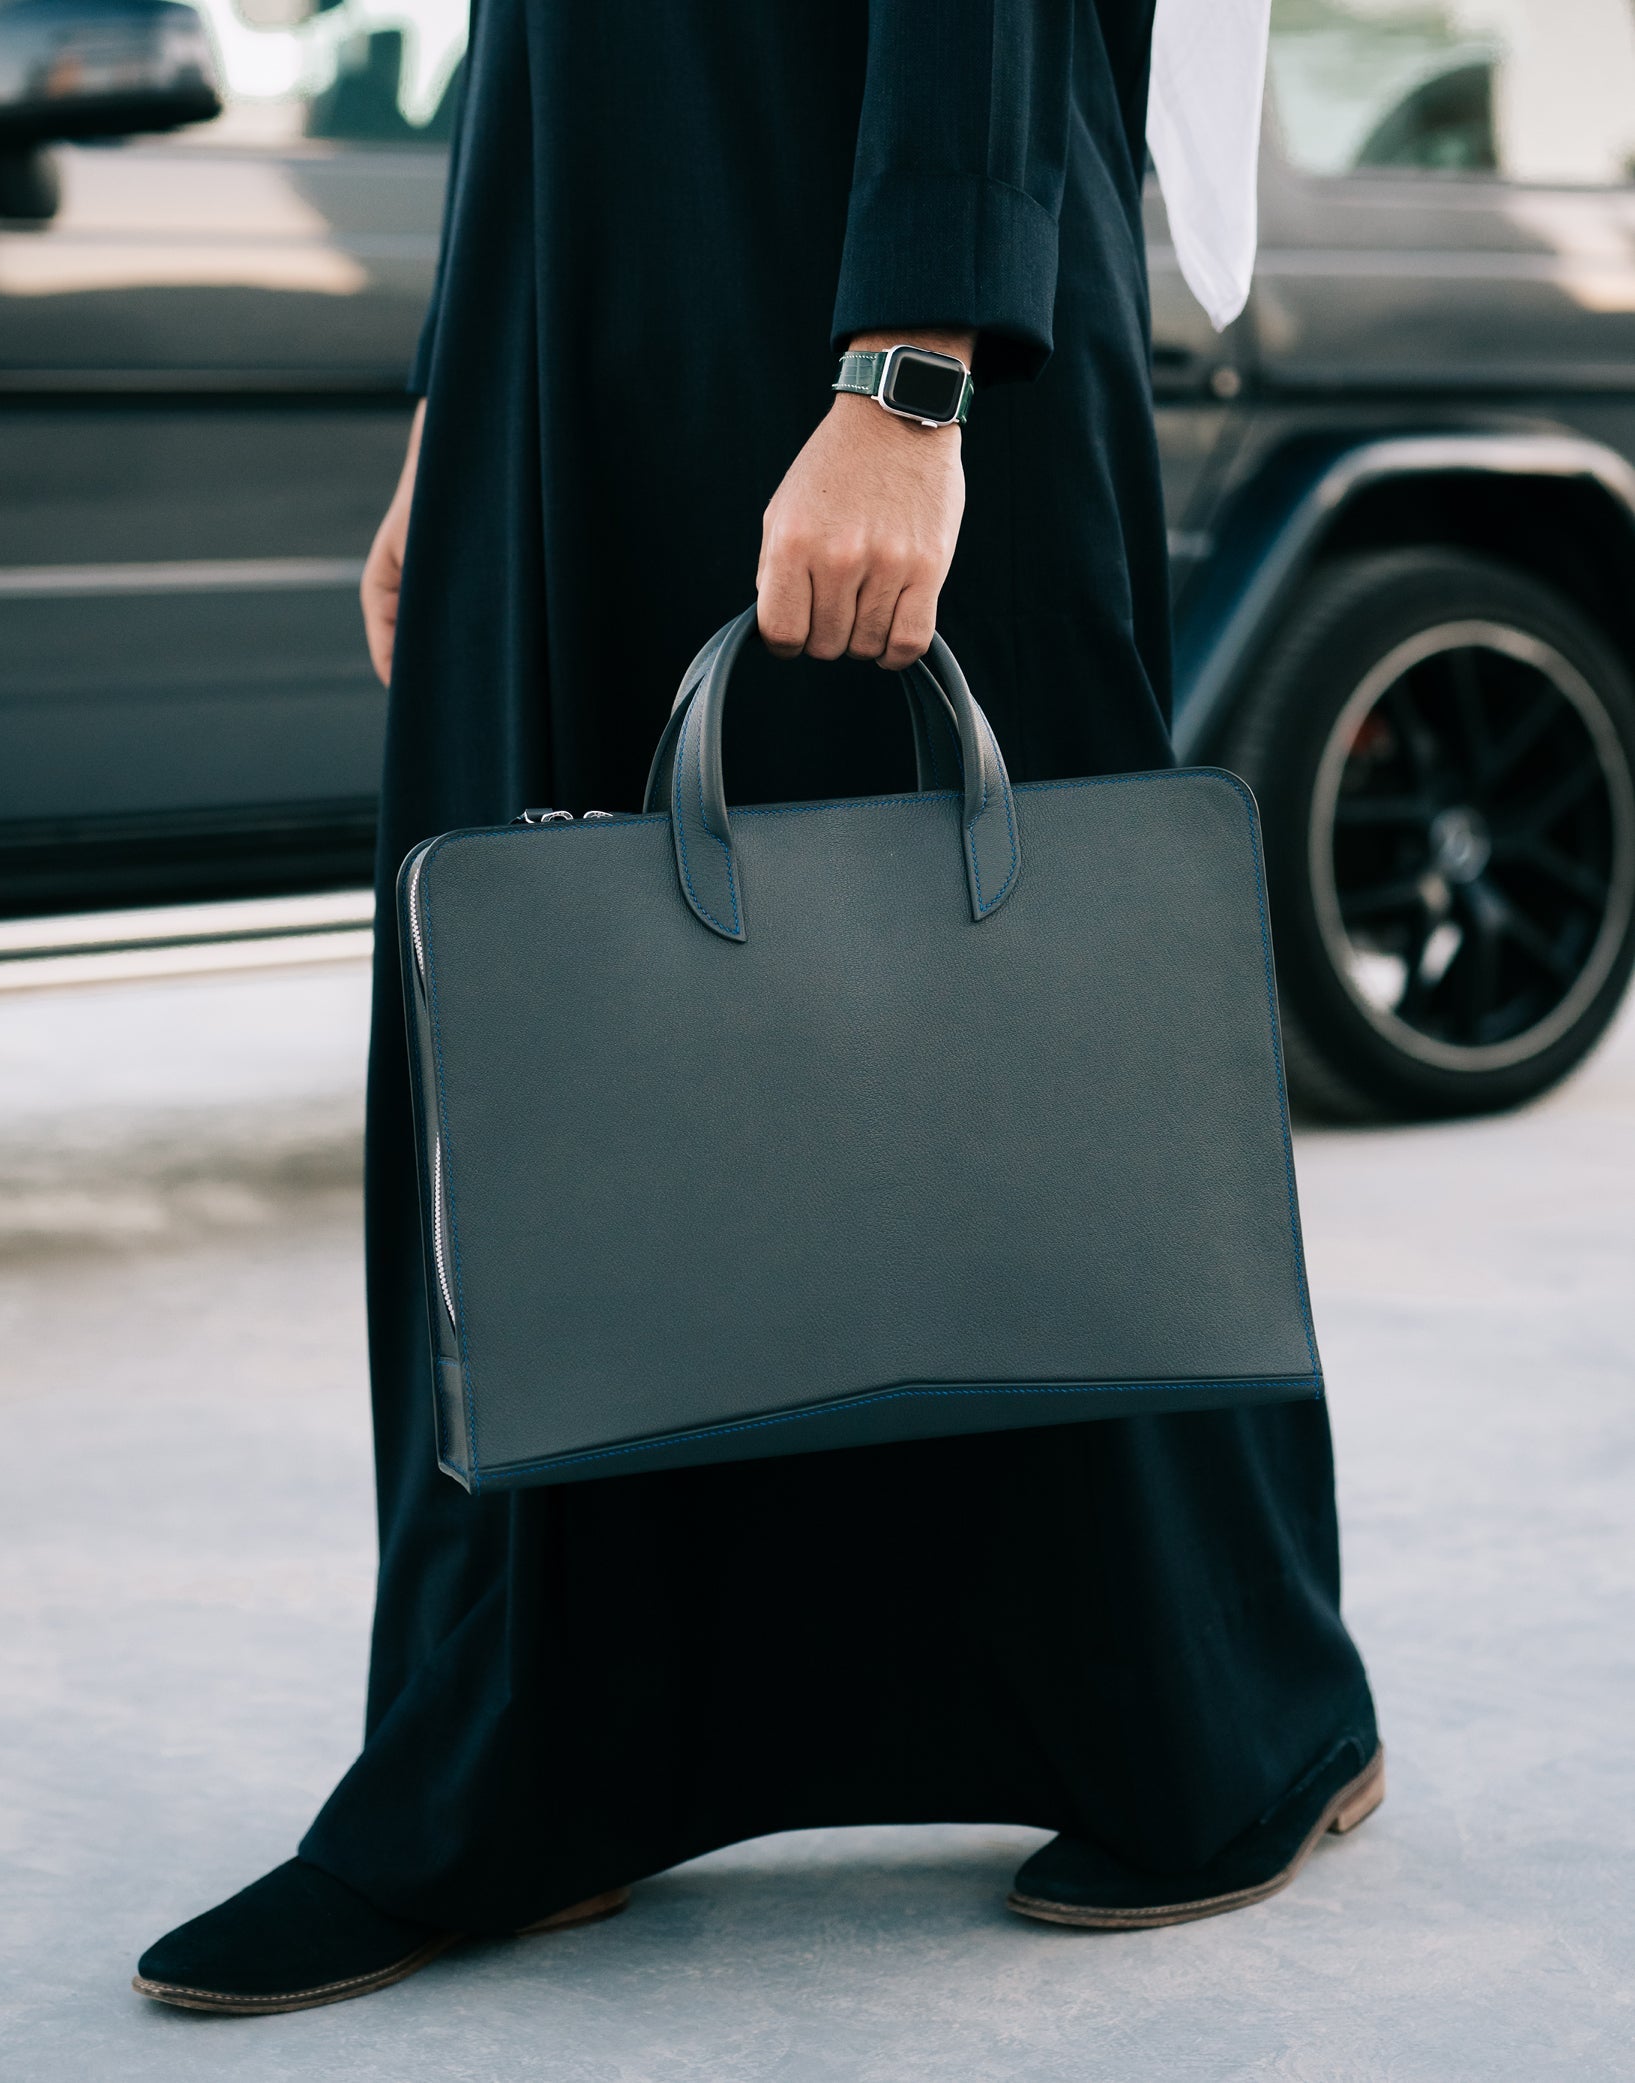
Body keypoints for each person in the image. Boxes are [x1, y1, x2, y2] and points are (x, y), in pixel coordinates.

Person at [134, 0, 1381, 2015]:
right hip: (594, 272)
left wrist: (913, 372)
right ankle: (526, 1754)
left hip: (877, 261)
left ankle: (1236, 1706)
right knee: (555, 1032)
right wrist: (469, 393)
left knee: (1031, 1020)